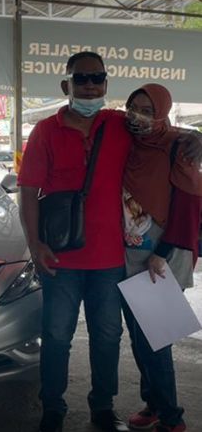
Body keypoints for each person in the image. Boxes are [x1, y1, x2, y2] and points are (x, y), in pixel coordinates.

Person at [17, 51, 202, 432]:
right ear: (66, 84)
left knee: (110, 337)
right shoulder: (45, 131)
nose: (89, 86)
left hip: (115, 261)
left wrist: (195, 136)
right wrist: (35, 245)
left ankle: (104, 407)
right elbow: (28, 191)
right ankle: (53, 407)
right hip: (62, 258)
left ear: (105, 84)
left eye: (97, 79)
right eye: (81, 78)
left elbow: (163, 132)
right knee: (56, 336)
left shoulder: (118, 124)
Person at [122, 84, 202, 432]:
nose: (138, 115)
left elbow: (188, 205)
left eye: (146, 109)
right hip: (127, 254)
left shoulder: (177, 147)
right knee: (139, 336)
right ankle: (153, 403)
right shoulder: (130, 145)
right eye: (133, 107)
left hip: (160, 254)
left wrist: (162, 254)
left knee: (157, 338)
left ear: (162, 110)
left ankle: (172, 417)